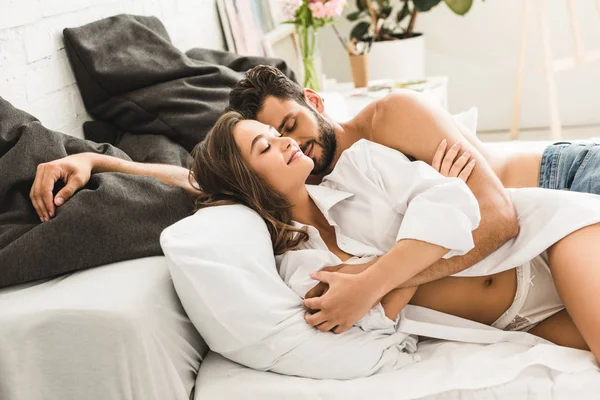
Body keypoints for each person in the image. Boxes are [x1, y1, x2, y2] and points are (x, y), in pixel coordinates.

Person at [187, 110, 600, 361]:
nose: (286, 142)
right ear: (246, 183)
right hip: (515, 322)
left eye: (278, 133)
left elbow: (458, 207)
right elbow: (373, 327)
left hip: (548, 244)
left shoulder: (363, 165)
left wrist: (371, 281)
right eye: (266, 147)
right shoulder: (297, 266)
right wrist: (413, 244)